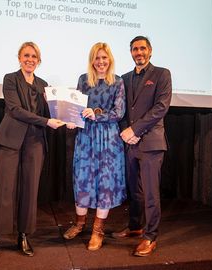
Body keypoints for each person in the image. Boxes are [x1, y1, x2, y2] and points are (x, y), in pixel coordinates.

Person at [0, 41, 65, 261]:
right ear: (19, 58)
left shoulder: (44, 84)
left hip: (35, 142)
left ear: (39, 60)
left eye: (34, 57)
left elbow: (52, 110)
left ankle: (23, 235)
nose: (30, 60)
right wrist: (47, 121)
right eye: (26, 55)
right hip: (11, 139)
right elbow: (15, 110)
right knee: (4, 188)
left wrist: (68, 117)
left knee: (30, 190)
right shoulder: (10, 79)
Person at [112, 36, 172, 256]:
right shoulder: (124, 78)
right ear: (131, 52)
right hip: (129, 143)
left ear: (150, 51)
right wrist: (126, 132)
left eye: (142, 48)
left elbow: (161, 108)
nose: (139, 52)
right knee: (133, 190)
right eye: (135, 49)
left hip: (151, 143)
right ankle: (136, 227)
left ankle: (150, 236)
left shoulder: (162, 74)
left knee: (150, 192)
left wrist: (135, 130)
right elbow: (121, 110)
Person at [63, 42, 126, 251]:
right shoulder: (84, 80)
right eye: (97, 58)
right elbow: (76, 106)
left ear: (110, 60)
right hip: (86, 136)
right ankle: (80, 224)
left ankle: (97, 230)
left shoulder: (117, 82)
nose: (101, 62)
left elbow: (119, 113)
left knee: (105, 183)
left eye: (104, 58)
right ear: (92, 60)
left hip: (108, 139)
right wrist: (72, 118)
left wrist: (97, 113)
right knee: (83, 179)